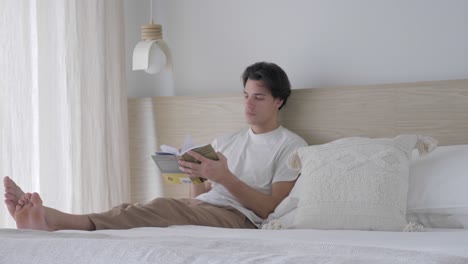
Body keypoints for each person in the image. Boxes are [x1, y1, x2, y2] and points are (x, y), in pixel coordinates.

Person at [3, 61, 307, 231]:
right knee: (137, 209)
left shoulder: (290, 145)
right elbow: (198, 195)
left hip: (240, 219)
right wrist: (194, 174)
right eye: (245, 95)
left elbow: (271, 209)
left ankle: (58, 221)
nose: (248, 105)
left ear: (279, 101)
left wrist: (224, 177)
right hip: (202, 207)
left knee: (157, 208)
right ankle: (56, 220)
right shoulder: (227, 140)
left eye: (259, 97)